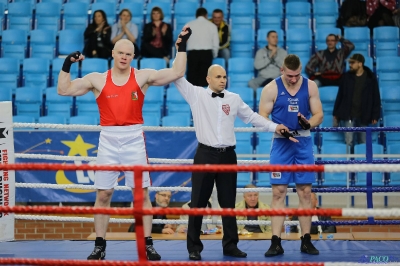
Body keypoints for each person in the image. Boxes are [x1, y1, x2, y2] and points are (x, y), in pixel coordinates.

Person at [57, 26, 192, 261]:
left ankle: (148, 242)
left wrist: (182, 47)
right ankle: (100, 244)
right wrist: (67, 64)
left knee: (141, 193)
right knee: (104, 194)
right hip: (108, 138)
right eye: (120, 53)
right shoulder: (97, 79)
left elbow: (178, 72)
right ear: (113, 53)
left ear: (133, 57)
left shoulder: (142, 76)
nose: (124, 57)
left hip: (133, 138)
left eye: (128, 54)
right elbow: (63, 89)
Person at [173, 64, 297, 261]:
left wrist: (275, 127)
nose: (223, 80)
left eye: (224, 76)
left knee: (228, 202)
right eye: (218, 76)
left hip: (228, 156)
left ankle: (230, 245)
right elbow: (177, 76)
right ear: (208, 79)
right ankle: (194, 248)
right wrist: (180, 48)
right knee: (197, 203)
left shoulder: (234, 98)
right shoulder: (196, 95)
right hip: (205, 154)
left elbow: (253, 117)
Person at [258, 54, 323, 257]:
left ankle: (306, 240)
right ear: (282, 70)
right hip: (281, 143)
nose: (293, 79)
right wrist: (277, 128)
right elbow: (261, 116)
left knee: (305, 193)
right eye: (290, 75)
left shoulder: (311, 86)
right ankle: (276, 241)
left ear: (300, 70)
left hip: (303, 143)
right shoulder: (271, 88)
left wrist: (309, 123)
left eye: (296, 75)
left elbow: (319, 114)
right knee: (278, 193)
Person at [332, 53, 380, 152]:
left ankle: (363, 166)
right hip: (348, 114)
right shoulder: (346, 77)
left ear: (360, 64)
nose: (350, 65)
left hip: (364, 114)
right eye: (350, 63)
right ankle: (349, 165)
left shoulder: (370, 78)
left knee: (363, 142)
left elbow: (376, 96)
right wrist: (336, 113)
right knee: (349, 142)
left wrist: (375, 115)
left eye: (352, 63)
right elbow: (340, 95)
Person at [186, 7, 219, 87]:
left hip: (192, 54)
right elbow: (215, 44)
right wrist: (213, 55)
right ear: (206, 15)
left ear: (196, 15)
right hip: (206, 54)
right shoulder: (212, 26)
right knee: (204, 81)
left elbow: (183, 41)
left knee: (192, 82)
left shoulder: (189, 25)